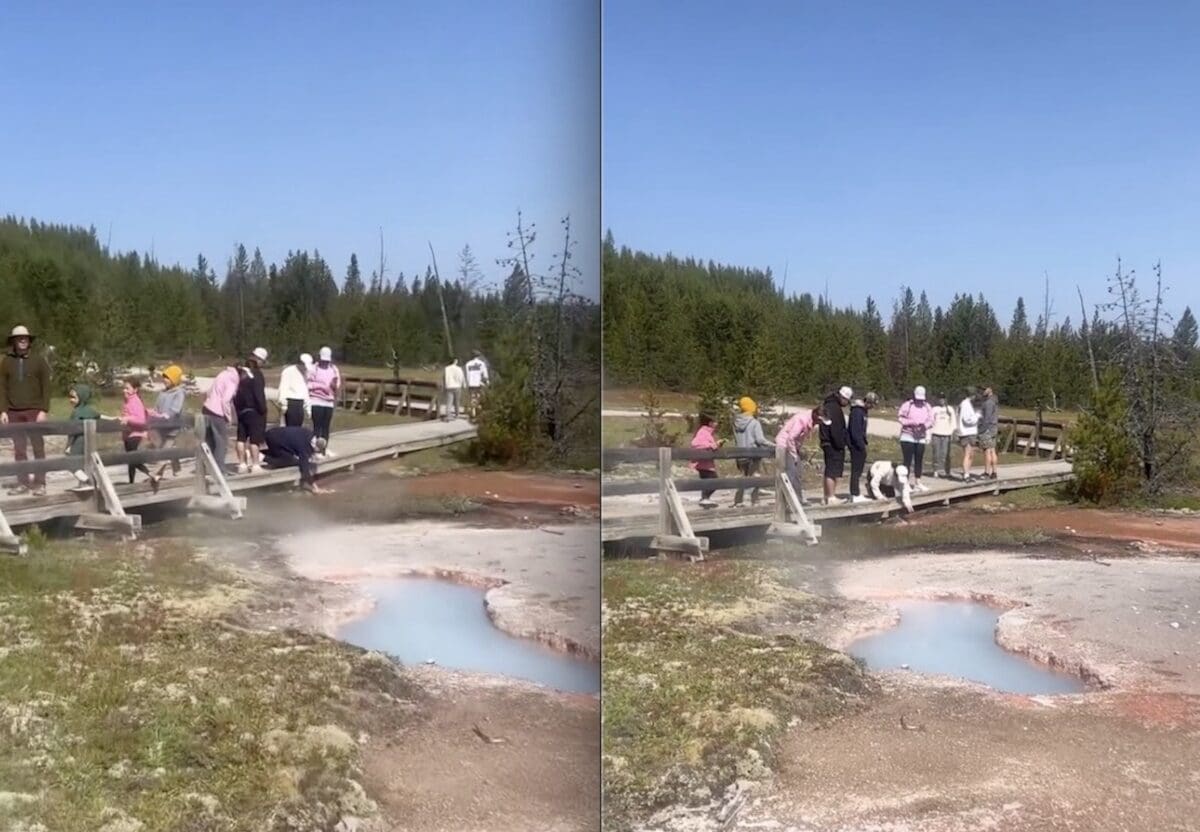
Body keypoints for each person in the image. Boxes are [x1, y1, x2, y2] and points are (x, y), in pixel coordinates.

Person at [0, 325, 52, 496]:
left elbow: (47, 386)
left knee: (38, 447)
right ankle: (22, 482)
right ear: (13, 341)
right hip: (13, 411)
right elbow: (2, 387)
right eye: (19, 338)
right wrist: (3, 411)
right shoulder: (6, 361)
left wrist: (43, 410)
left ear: (29, 340)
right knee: (19, 449)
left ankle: (40, 483)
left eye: (25, 338)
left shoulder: (39, 360)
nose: (22, 340)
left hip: (34, 410)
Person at [261, 425, 330, 494]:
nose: (314, 453)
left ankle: (263, 453)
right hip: (273, 439)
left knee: (289, 455)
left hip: (275, 432)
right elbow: (304, 469)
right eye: (317, 451)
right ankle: (263, 457)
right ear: (316, 447)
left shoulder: (309, 434)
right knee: (289, 460)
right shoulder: (304, 448)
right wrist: (315, 488)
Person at [120, 377, 159, 491]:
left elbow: (141, 420)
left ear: (135, 389)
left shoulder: (135, 401)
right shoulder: (128, 400)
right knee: (130, 461)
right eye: (124, 388)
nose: (124, 390)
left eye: (127, 388)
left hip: (135, 434)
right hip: (128, 434)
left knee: (132, 459)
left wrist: (127, 419)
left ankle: (151, 474)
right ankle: (131, 483)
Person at [732, 396, 773, 507]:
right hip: (753, 454)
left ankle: (746, 500)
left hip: (739, 454)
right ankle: (746, 499)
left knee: (745, 477)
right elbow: (760, 440)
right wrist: (773, 445)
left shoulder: (736, 422)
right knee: (754, 477)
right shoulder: (754, 423)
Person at [234, 348, 269, 473]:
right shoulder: (257, 374)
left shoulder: (241, 372)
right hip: (254, 411)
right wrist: (263, 410)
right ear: (259, 360)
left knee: (241, 438)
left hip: (241, 410)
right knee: (254, 439)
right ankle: (255, 465)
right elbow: (259, 394)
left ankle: (242, 464)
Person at [148, 364, 186, 480]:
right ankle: (177, 469)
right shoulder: (162, 393)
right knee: (169, 448)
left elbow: (176, 409)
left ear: (174, 379)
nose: (165, 380)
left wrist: (167, 415)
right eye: (164, 377)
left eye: (167, 378)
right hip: (161, 426)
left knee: (165, 449)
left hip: (172, 426)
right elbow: (157, 407)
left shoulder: (179, 392)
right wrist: (153, 413)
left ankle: (156, 473)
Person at [775, 406, 821, 503]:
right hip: (785, 445)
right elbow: (791, 438)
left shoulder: (810, 420)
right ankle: (786, 501)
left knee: (798, 473)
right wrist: (794, 454)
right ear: (816, 415)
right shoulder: (802, 419)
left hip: (794, 446)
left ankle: (798, 499)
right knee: (791, 473)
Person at [202, 362, 240, 475]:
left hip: (207, 408)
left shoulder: (222, 374)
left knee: (209, 441)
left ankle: (207, 467)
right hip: (217, 412)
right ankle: (219, 470)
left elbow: (209, 391)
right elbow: (225, 400)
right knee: (221, 442)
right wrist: (229, 417)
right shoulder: (233, 379)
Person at [897, 385, 936, 492]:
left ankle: (918, 481)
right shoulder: (907, 405)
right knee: (907, 461)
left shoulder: (927, 406)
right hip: (907, 436)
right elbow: (900, 417)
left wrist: (924, 426)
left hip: (920, 437)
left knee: (919, 460)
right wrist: (910, 423)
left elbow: (931, 420)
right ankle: (905, 483)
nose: (919, 401)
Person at [818, 386, 852, 505]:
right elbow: (835, 429)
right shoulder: (834, 408)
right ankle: (831, 497)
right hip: (833, 444)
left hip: (827, 442)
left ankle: (826, 496)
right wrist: (841, 444)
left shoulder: (829, 405)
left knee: (830, 469)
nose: (847, 403)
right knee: (832, 471)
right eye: (847, 400)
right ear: (842, 397)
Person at [64, 383, 101, 487]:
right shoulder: (91, 410)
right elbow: (99, 416)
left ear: (81, 397)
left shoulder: (76, 412)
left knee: (71, 464)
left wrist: (69, 446)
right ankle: (83, 483)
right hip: (89, 441)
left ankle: (86, 480)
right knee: (85, 463)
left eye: (73, 397)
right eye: (70, 397)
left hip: (77, 442)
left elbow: (72, 431)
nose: (70, 400)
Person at [307, 346, 341, 456]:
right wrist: (321, 387)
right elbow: (308, 384)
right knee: (317, 425)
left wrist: (333, 385)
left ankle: (324, 449)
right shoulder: (313, 368)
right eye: (323, 360)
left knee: (326, 426)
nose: (325, 362)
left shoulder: (334, 369)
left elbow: (337, 384)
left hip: (328, 401)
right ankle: (315, 449)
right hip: (316, 400)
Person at [848, 392, 878, 503]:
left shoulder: (864, 411)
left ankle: (856, 493)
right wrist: (860, 445)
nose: (872, 407)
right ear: (868, 402)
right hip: (856, 444)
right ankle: (854, 494)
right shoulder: (857, 411)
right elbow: (855, 430)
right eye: (872, 404)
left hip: (860, 442)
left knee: (859, 470)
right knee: (856, 470)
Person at [689, 413, 723, 508]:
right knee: (714, 481)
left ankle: (705, 499)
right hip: (703, 463)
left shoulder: (707, 432)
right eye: (715, 421)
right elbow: (696, 444)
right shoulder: (703, 432)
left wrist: (717, 445)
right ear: (710, 423)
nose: (717, 423)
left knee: (708, 482)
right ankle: (705, 498)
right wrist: (714, 445)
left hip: (706, 463)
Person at [277, 354, 312, 428]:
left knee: (298, 429)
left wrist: (308, 408)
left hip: (300, 404)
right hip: (291, 403)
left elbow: (305, 391)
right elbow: (283, 388)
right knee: (290, 428)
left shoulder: (305, 373)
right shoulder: (288, 371)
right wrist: (284, 405)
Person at [929, 392, 957, 478]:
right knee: (936, 454)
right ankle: (935, 471)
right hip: (936, 434)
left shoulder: (950, 409)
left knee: (946, 454)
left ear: (945, 400)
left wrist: (952, 432)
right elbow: (930, 421)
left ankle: (947, 471)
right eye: (940, 398)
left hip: (946, 434)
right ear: (938, 399)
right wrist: (930, 433)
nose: (942, 400)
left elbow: (953, 422)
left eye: (943, 398)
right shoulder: (934, 409)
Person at [958, 387, 981, 481]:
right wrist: (977, 416)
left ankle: (967, 473)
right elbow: (967, 419)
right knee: (968, 454)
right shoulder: (965, 404)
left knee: (971, 454)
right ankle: (966, 475)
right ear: (972, 395)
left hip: (969, 432)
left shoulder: (966, 404)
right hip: (966, 432)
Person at [978, 385, 1000, 480]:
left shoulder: (988, 403)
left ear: (990, 390)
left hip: (988, 429)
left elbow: (986, 418)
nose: (982, 391)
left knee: (987, 451)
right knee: (992, 450)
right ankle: (994, 472)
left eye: (984, 389)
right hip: (994, 428)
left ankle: (987, 472)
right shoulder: (994, 401)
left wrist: (981, 430)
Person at [464, 350, 490, 420]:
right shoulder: (481, 363)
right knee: (479, 397)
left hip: (471, 384)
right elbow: (485, 374)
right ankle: (478, 410)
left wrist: (466, 383)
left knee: (472, 398)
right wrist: (487, 381)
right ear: (478, 356)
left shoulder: (468, 364)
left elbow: (467, 375)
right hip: (478, 383)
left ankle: (473, 412)